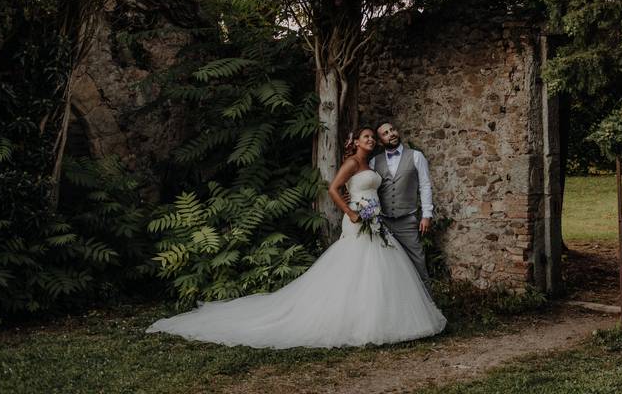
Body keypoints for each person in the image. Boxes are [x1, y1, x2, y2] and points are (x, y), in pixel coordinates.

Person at [145, 127, 446, 348]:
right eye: (366, 137)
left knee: (382, 270)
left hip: (376, 221)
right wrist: (353, 213)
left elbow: (384, 188)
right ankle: (354, 321)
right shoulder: (354, 163)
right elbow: (333, 189)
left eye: (372, 137)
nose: (370, 140)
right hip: (358, 220)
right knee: (358, 269)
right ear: (354, 142)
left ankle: (389, 318)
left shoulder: (373, 163)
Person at [370, 121, 433, 286]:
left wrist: (427, 215)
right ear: (379, 140)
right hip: (383, 222)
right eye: (385, 133)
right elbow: (369, 187)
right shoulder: (374, 162)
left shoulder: (416, 156)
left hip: (407, 220)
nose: (391, 134)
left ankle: (428, 303)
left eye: (392, 130)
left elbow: (425, 185)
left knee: (418, 260)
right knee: (386, 264)